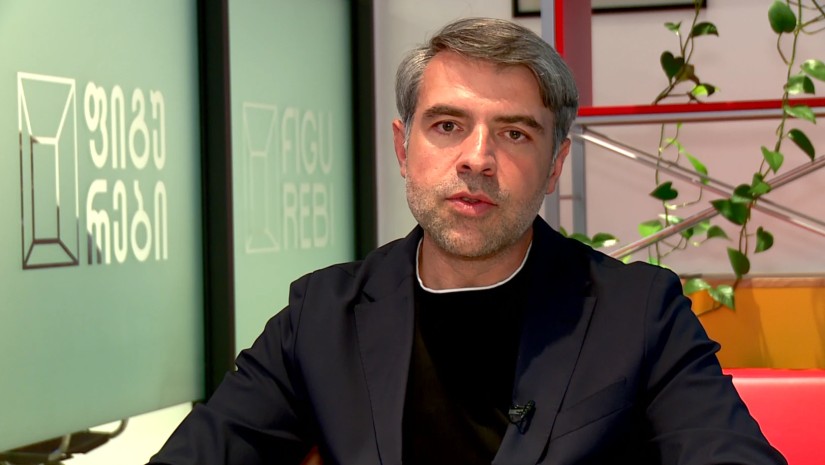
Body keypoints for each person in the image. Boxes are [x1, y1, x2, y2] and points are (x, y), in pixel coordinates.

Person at [148, 17, 786, 465]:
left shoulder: (640, 312)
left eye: (514, 133)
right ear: (403, 148)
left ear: (555, 165)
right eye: (448, 125)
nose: (477, 159)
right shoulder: (321, 317)